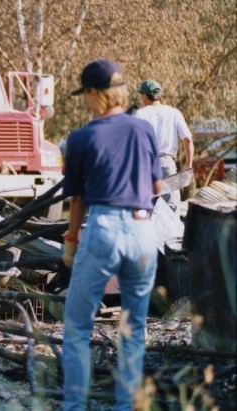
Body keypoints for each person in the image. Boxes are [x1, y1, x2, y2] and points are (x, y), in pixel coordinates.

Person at [61, 59, 162, 410]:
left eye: (85, 95)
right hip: (142, 229)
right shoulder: (144, 130)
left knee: (76, 328)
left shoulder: (81, 138)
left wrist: (71, 242)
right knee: (134, 328)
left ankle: (74, 406)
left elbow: (77, 201)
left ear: (92, 93)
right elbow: (157, 185)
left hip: (104, 227)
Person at [134, 79, 194, 212]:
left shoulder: (140, 114)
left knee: (147, 211)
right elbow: (188, 140)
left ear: (145, 95)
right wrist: (188, 164)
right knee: (170, 211)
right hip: (167, 165)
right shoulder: (174, 113)